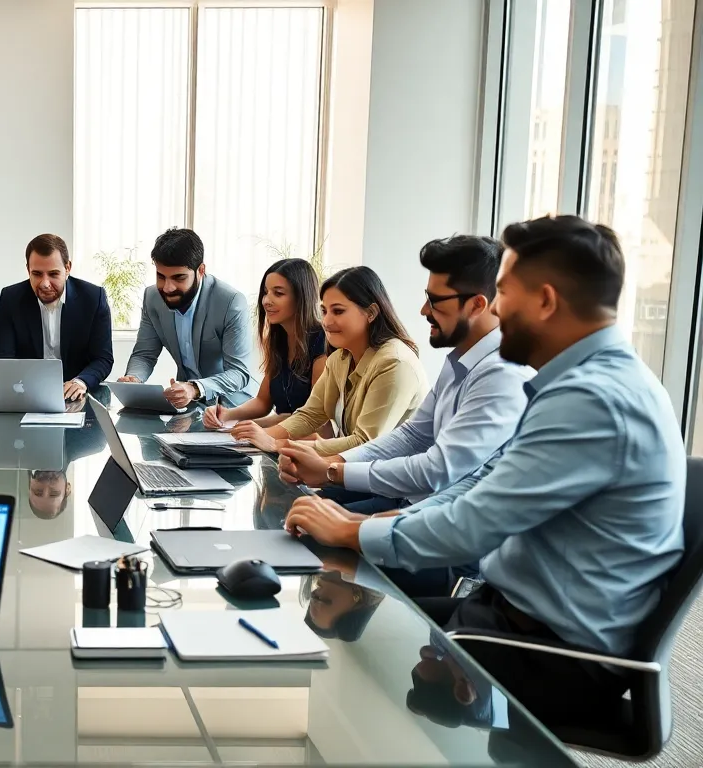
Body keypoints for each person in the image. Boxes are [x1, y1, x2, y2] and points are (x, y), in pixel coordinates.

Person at [283, 215, 686, 730]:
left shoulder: (590, 401)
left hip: (551, 647)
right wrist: (364, 513)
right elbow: (481, 487)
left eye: (504, 294)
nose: (493, 309)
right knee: (357, 605)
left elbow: (473, 522)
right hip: (513, 612)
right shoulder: (585, 382)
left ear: (544, 300)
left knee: (359, 667)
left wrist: (352, 528)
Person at [278, 236, 532, 531]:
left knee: (309, 536)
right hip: (412, 508)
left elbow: (437, 470)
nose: (424, 310)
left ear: (477, 305)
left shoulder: (502, 375)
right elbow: (412, 437)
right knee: (297, 521)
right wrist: (330, 466)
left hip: (445, 536)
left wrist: (334, 472)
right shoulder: (459, 361)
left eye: (435, 301)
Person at [225, 266, 427, 456]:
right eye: (324, 311)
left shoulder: (395, 363)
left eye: (338, 311)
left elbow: (365, 443)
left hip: (399, 487)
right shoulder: (341, 357)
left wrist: (277, 443)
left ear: (371, 313)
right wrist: (261, 436)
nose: (327, 322)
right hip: (359, 474)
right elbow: (310, 415)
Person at [118, 228, 254, 408]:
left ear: (201, 271)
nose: (167, 288)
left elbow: (238, 373)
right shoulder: (152, 298)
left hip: (233, 406)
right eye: (161, 276)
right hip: (188, 407)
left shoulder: (231, 302)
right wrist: (134, 379)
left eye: (179, 278)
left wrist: (195, 388)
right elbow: (145, 354)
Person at [201, 258, 327, 428]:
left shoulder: (322, 343)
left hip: (305, 444)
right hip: (278, 442)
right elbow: (263, 402)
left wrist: (255, 426)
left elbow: (316, 419)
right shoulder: (278, 340)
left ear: (302, 297)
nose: (266, 300)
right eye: (265, 292)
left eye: (278, 293)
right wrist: (226, 415)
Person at [0, 234, 113, 401]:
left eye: (53, 274)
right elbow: (1, 358)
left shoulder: (93, 298)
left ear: (67, 268)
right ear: (28, 270)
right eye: (37, 274)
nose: (45, 283)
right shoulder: (11, 298)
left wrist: (81, 381)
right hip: (25, 394)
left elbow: (103, 358)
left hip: (77, 395)